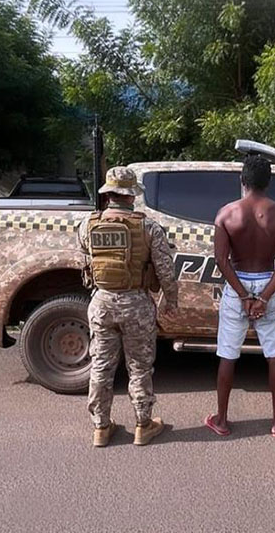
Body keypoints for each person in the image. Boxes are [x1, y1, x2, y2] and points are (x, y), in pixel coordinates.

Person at [78, 166, 178, 448]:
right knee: (139, 367)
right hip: (136, 303)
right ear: (132, 196)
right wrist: (171, 299)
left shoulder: (88, 225)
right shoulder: (148, 227)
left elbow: (86, 258)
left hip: (102, 302)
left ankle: (101, 427)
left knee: (100, 366)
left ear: (108, 194)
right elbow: (165, 270)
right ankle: (143, 425)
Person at [204, 155, 275, 438]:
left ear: (242, 181)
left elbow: (221, 260)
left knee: (228, 355)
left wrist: (244, 295)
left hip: (237, 286)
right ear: (268, 182)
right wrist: (265, 296)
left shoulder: (226, 213)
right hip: (268, 282)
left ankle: (221, 419)